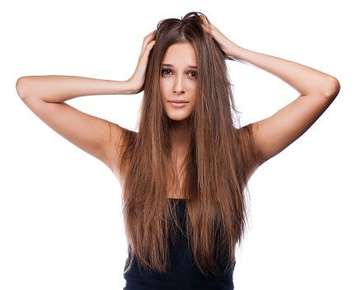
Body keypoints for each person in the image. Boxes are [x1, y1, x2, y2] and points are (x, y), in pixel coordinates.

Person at [16, 11, 340, 290]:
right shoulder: (125, 148)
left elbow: (323, 89)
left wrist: (235, 51)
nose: (178, 87)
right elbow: (31, 90)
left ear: (207, 82)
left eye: (193, 74)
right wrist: (127, 85)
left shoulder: (238, 151)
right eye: (166, 72)